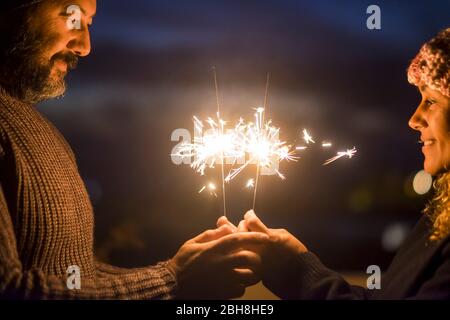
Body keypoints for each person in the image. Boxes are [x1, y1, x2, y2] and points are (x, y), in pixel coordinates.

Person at [0, 0, 268, 299]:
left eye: (89, 23)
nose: (85, 46)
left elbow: (72, 277)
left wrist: (185, 267)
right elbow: (10, 289)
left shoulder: (39, 129)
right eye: (72, 16)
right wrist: (172, 280)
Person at [219, 27, 450, 299]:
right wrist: (292, 263)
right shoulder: (441, 216)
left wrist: (293, 267)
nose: (414, 119)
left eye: (431, 100)